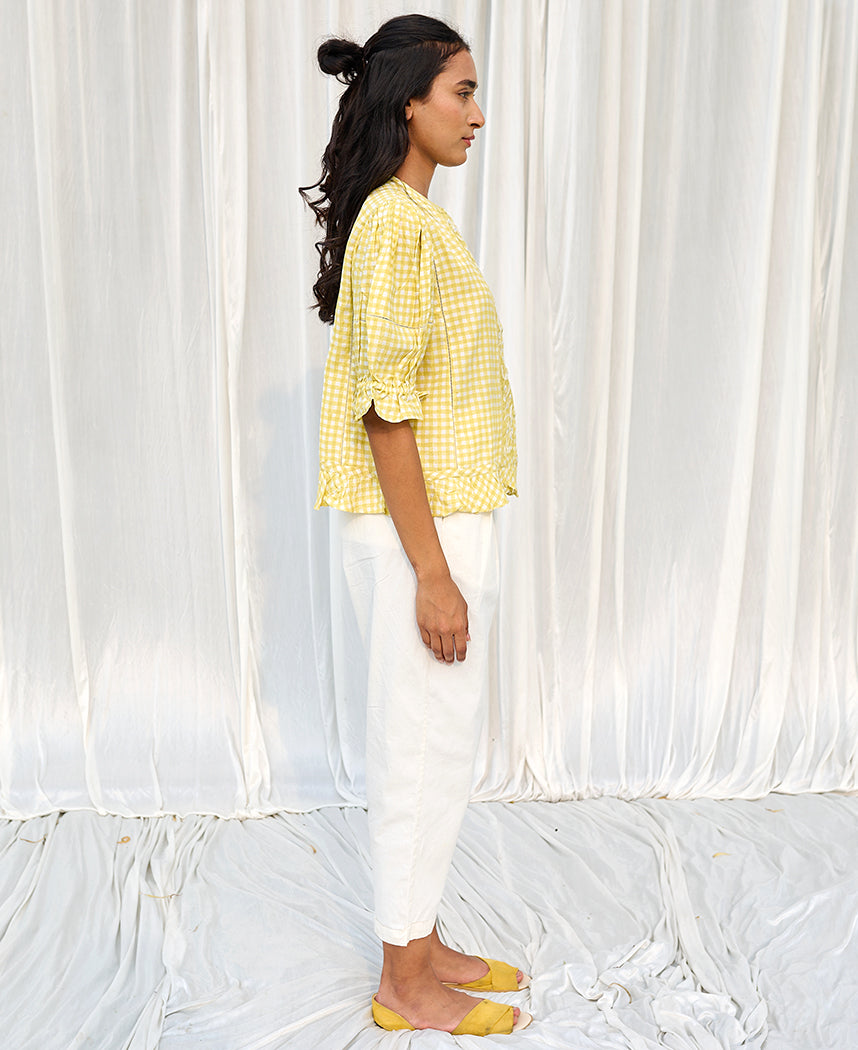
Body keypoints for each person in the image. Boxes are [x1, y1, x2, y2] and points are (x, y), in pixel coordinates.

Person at [301, 13, 531, 1037]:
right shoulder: (396, 225)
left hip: (434, 526)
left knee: (439, 743)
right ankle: (402, 980)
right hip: (418, 538)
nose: (478, 114)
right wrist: (433, 573)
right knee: (417, 749)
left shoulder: (412, 219)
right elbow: (384, 414)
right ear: (409, 103)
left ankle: (421, 941)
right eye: (462, 93)